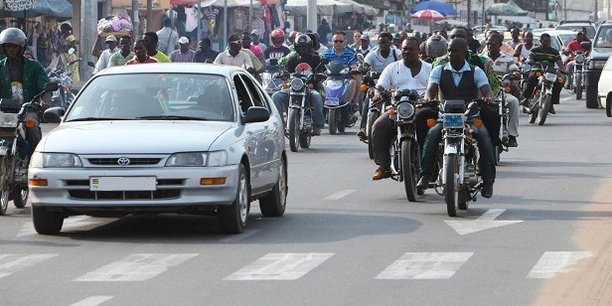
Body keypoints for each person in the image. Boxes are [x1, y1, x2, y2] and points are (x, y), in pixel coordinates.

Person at [417, 38, 497, 198]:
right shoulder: (439, 70)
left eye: (454, 51)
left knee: (483, 137)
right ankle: (426, 175)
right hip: (446, 117)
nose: (451, 54)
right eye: (449, 51)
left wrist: (488, 98)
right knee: (432, 135)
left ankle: (488, 180)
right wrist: (429, 99)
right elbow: (430, 89)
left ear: (465, 53)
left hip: (470, 117)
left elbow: (487, 90)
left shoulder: (476, 71)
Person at [370, 37, 431, 180]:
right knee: (378, 126)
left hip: (423, 108)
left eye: (411, 49)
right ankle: (384, 166)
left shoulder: (430, 68)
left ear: (419, 51)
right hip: (398, 108)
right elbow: (380, 86)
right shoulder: (392, 68)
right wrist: (377, 93)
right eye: (404, 49)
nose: (407, 52)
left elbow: (437, 86)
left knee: (435, 131)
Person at [0, 28, 49, 157]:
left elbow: (44, 86)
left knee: (32, 128)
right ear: (3, 48)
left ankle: (34, 160)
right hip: (3, 110)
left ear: (21, 48)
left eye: (14, 47)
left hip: (27, 109)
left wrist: (45, 100)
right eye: (8, 46)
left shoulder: (35, 67)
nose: (11, 49)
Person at [272, 34, 325, 135]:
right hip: (293, 88)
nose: (303, 49)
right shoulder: (292, 58)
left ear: (310, 46)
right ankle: (279, 124)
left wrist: (320, 75)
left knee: (317, 96)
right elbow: (285, 69)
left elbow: (322, 70)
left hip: (310, 88)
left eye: (305, 46)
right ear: (296, 47)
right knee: (276, 96)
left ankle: (318, 124)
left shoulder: (317, 58)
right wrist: (282, 74)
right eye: (300, 47)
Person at [357, 32, 401, 139]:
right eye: (380, 43)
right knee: (368, 99)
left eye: (385, 43)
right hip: (376, 83)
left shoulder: (396, 53)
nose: (382, 45)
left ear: (390, 43)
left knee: (398, 102)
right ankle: (363, 128)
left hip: (391, 84)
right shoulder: (373, 53)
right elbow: (366, 65)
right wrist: (363, 68)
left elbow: (402, 64)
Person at [483, 32, 521, 147]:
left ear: (500, 45)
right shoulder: (481, 58)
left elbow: (515, 70)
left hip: (502, 92)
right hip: (484, 93)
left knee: (514, 102)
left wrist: (514, 74)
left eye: (493, 44)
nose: (490, 46)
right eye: (488, 43)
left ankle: (512, 135)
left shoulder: (507, 58)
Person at [521, 33, 566, 114]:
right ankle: (526, 99)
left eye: (549, 41)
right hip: (538, 70)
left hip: (550, 72)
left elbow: (560, 63)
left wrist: (563, 70)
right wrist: (530, 61)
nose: (547, 43)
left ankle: (551, 103)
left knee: (559, 81)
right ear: (541, 41)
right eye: (545, 41)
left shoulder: (554, 52)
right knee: (531, 79)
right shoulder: (535, 51)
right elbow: (529, 58)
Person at [323, 32, 361, 113]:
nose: (338, 43)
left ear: (345, 42)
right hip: (330, 77)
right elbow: (321, 65)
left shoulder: (351, 53)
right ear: (332, 42)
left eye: (340, 41)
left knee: (355, 80)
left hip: (345, 77)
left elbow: (354, 65)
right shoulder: (326, 53)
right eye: (336, 41)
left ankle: (354, 102)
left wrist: (354, 68)